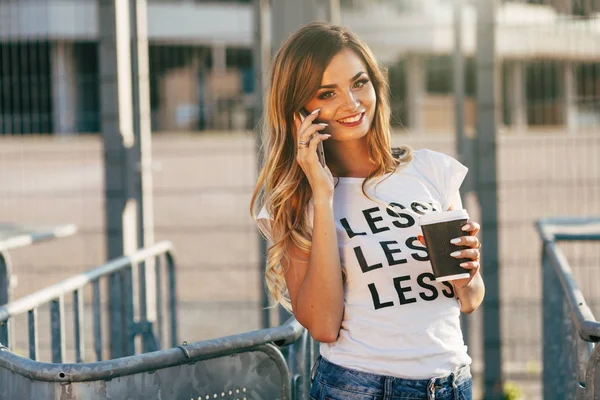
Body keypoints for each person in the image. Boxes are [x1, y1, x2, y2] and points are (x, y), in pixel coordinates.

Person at [250, 22, 485, 400]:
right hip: (359, 388)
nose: (352, 103)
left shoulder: (431, 171)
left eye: (359, 83)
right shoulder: (294, 200)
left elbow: (470, 299)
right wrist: (323, 196)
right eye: (327, 92)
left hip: (451, 384)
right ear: (300, 111)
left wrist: (467, 272)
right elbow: (325, 325)